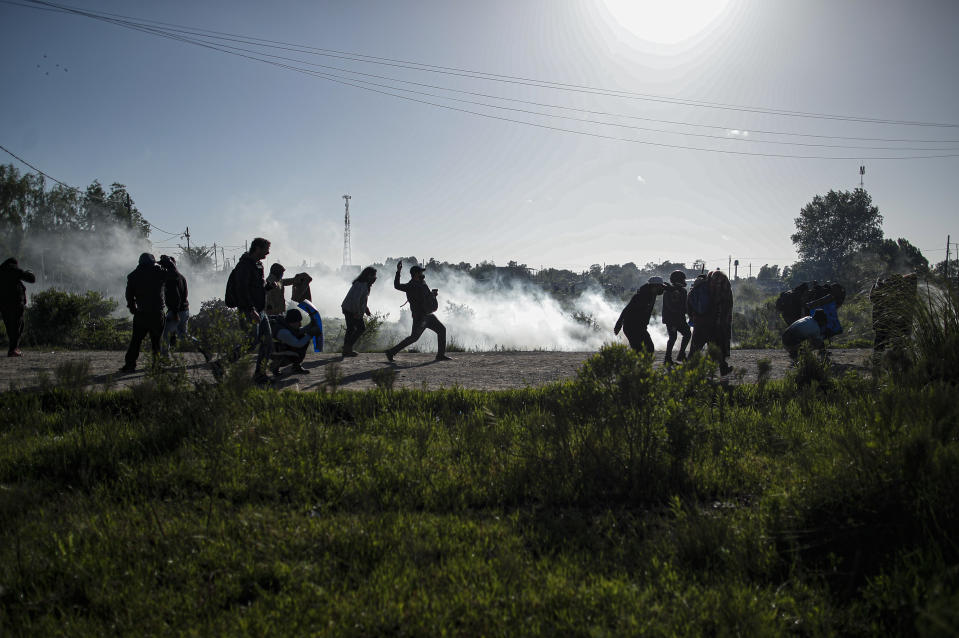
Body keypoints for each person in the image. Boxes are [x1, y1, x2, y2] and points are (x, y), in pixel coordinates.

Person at [385, 261, 451, 362]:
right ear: (416, 274)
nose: (422, 274)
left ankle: (440, 355)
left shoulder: (423, 283)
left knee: (442, 330)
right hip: (420, 317)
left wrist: (433, 295)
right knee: (413, 338)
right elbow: (397, 285)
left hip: (428, 315)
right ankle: (391, 352)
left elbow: (427, 297)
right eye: (421, 272)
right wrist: (398, 272)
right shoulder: (410, 286)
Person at [231, 237, 274, 382]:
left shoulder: (258, 265)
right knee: (251, 342)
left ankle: (260, 374)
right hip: (249, 310)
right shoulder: (245, 266)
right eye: (266, 250)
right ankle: (220, 365)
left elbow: (258, 288)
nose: (267, 253)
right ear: (257, 248)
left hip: (260, 311)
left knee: (267, 342)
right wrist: (251, 309)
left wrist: (268, 287)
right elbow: (242, 289)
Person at [120, 252, 166, 373]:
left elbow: (129, 294)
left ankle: (130, 364)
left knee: (136, 340)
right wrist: (167, 263)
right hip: (157, 313)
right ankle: (156, 365)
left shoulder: (133, 275)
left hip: (141, 313)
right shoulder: (159, 272)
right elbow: (175, 276)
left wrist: (132, 308)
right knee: (156, 341)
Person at [688, 269, 734, 375]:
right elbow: (724, 306)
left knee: (695, 348)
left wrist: (692, 317)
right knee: (716, 347)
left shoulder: (701, 287)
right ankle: (721, 368)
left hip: (699, 322)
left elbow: (690, 303)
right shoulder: (721, 285)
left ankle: (689, 370)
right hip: (713, 323)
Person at [613, 276, 666, 354]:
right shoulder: (640, 297)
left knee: (650, 349)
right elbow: (626, 310)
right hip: (631, 328)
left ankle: (639, 365)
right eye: (660, 287)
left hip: (641, 328)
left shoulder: (652, 294)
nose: (661, 289)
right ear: (654, 286)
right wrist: (618, 325)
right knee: (638, 350)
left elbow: (667, 287)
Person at [0, 257, 36, 357]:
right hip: (15, 303)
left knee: (10, 326)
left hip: (3, 304)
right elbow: (31, 279)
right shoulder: (13, 269)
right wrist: (29, 273)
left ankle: (13, 348)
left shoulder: (1, 271)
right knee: (18, 325)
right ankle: (13, 349)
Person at [341, 266, 377, 356]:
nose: (375, 278)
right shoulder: (361, 284)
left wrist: (366, 309)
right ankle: (347, 348)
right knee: (359, 328)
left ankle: (347, 348)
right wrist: (357, 312)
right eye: (374, 276)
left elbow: (362, 300)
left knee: (351, 329)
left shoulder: (363, 284)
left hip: (349, 308)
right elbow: (356, 300)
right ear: (369, 276)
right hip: (350, 309)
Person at [158, 255, 189, 353]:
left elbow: (175, 297)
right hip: (185, 310)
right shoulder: (181, 276)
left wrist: (175, 313)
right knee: (183, 335)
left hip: (176, 311)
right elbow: (184, 295)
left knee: (165, 334)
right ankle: (202, 349)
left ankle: (164, 357)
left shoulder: (170, 278)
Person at [269, 308, 311, 375]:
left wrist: (311, 325)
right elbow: (298, 344)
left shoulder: (286, 324)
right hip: (273, 351)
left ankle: (296, 367)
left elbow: (298, 331)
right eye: (298, 322)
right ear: (292, 322)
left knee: (302, 337)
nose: (300, 324)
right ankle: (274, 366)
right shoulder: (283, 332)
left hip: (279, 347)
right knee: (297, 354)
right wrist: (310, 335)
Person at [662, 270, 690, 364]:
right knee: (673, 337)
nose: (683, 281)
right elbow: (670, 306)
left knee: (687, 334)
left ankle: (681, 355)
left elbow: (685, 304)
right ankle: (667, 358)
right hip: (671, 319)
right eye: (682, 279)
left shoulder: (683, 291)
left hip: (680, 318)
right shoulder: (669, 292)